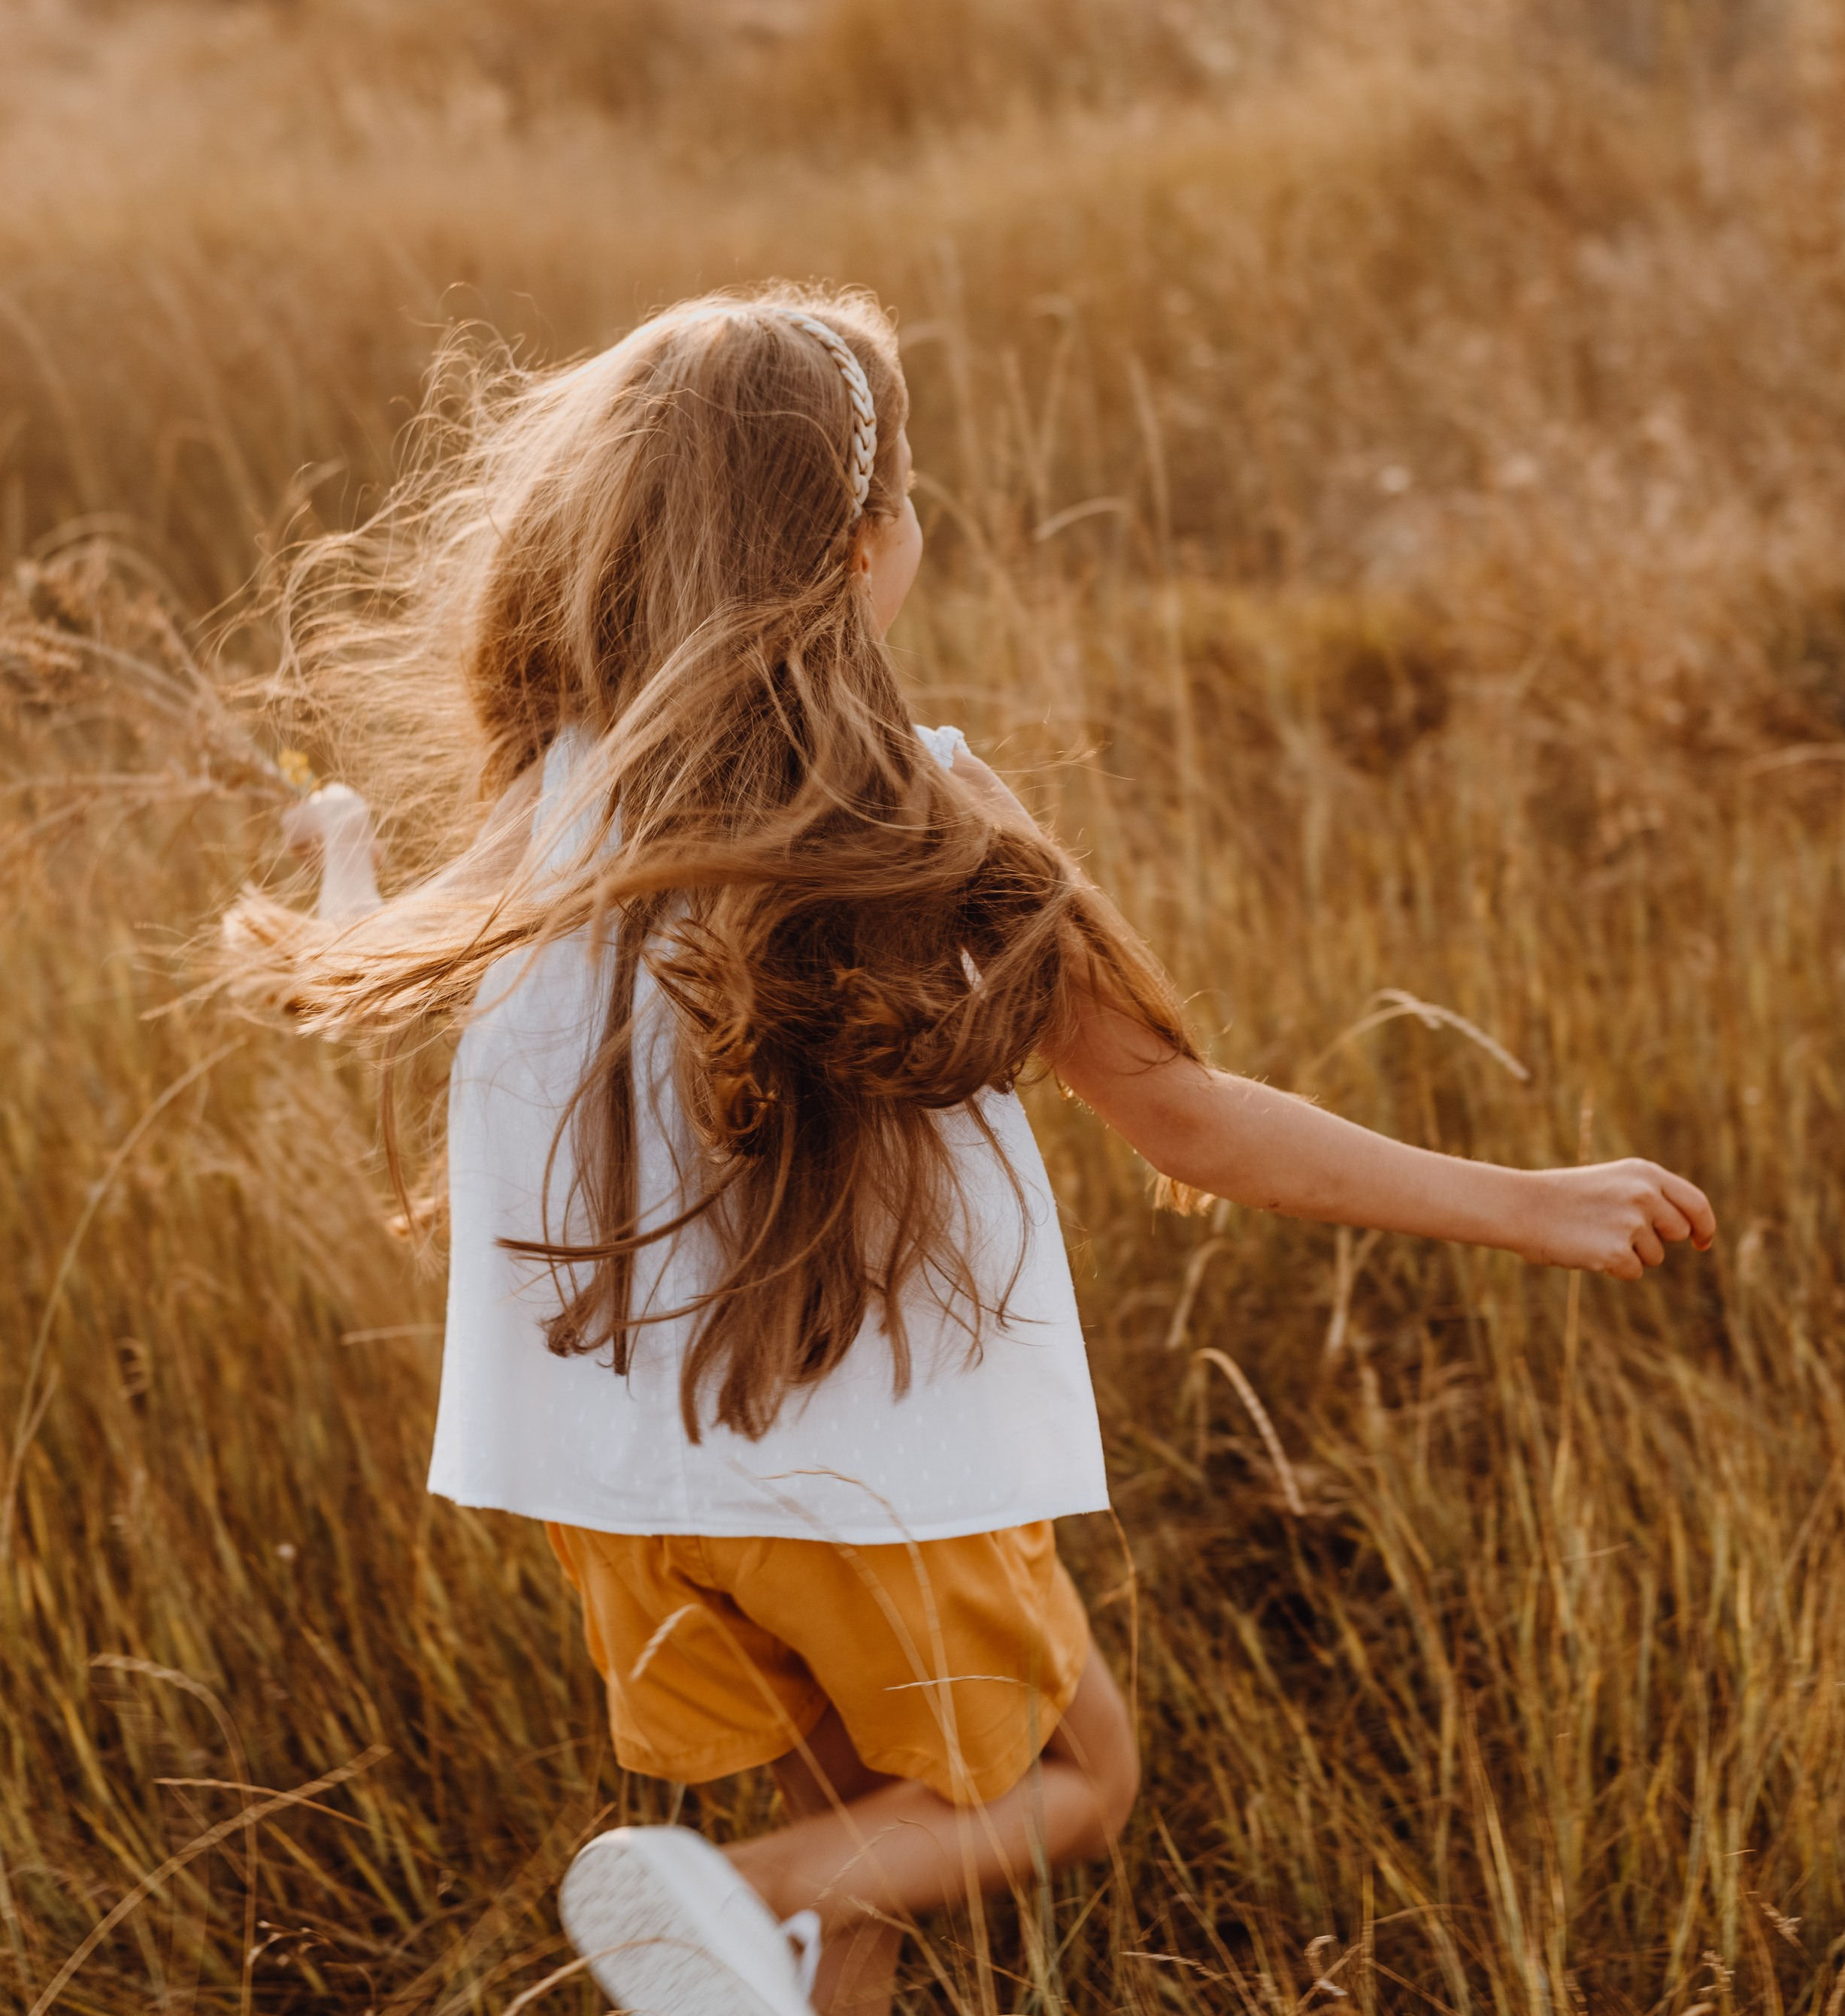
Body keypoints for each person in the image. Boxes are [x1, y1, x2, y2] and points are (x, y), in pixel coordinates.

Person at [241, 286, 1715, 2016]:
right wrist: (1527, 1202)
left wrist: (338, 844)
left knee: (862, 1846)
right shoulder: (918, 817)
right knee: (1069, 1779)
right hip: (875, 1492)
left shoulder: (561, 795)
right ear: (865, 552)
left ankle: (763, 1924)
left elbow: (380, 954)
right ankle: (718, 1891)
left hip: (631, 1502)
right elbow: (1182, 1113)